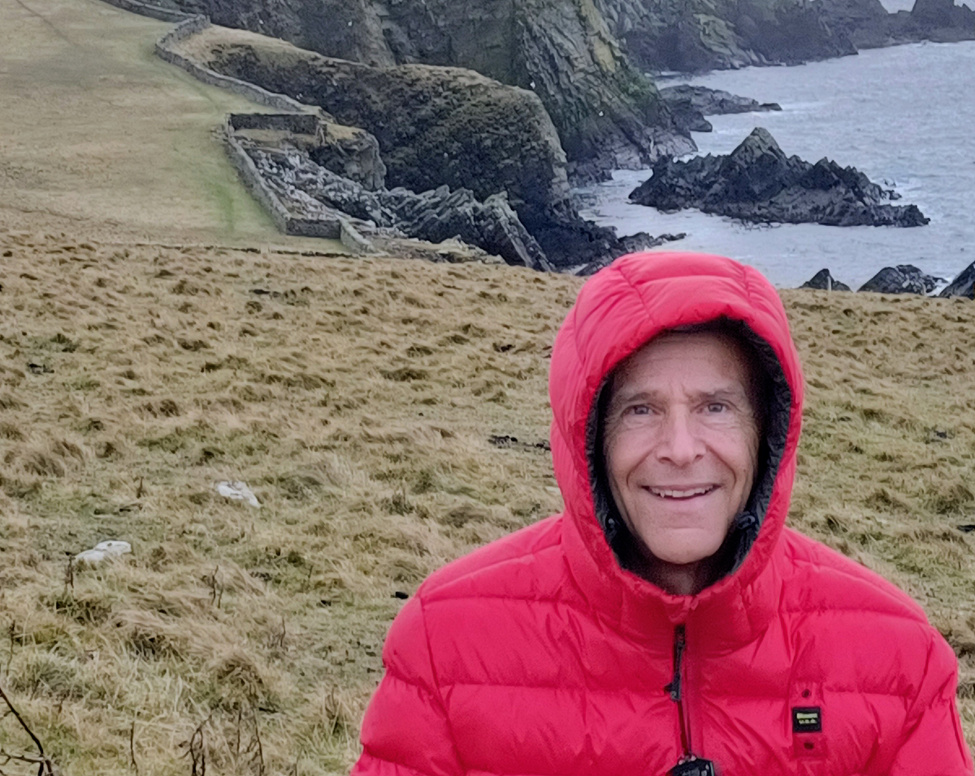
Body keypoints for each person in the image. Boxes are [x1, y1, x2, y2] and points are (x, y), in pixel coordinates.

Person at [352, 252, 973, 775]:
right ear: (589, 438)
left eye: (716, 407)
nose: (680, 449)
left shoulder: (900, 660)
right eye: (641, 410)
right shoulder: (443, 644)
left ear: (769, 433)